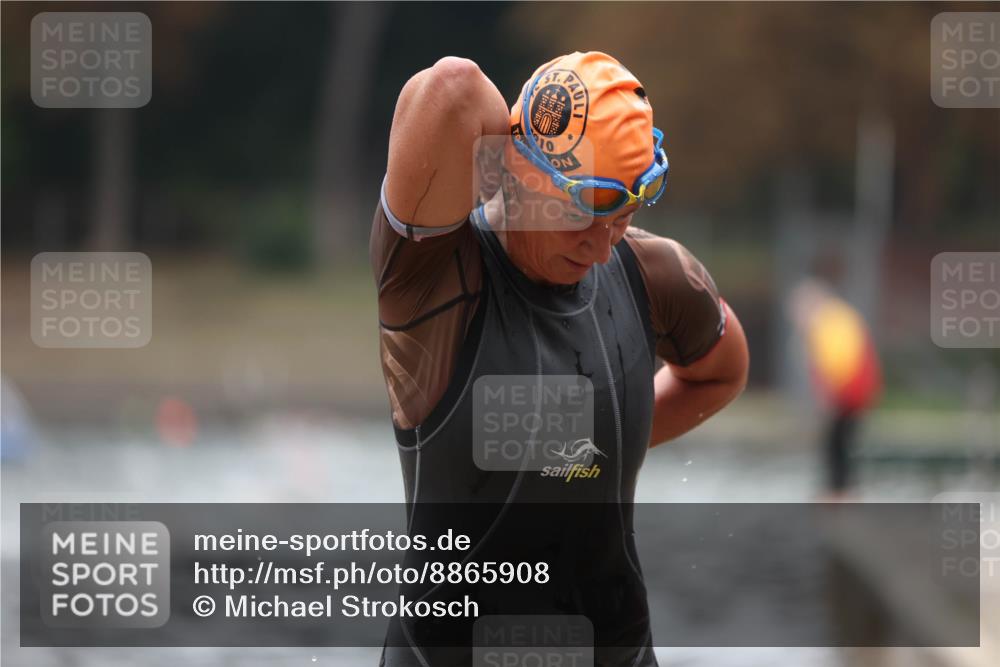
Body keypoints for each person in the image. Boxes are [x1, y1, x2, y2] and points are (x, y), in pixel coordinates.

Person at [370, 51, 749, 666]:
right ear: (518, 175)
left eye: (621, 219)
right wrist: (507, 157)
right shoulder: (432, 280)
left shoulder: (657, 275)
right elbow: (452, 88)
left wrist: (593, 441)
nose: (601, 250)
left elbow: (722, 372)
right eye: (580, 216)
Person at [788, 278, 882, 499]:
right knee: (840, 442)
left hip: (849, 392)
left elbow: (837, 362)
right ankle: (841, 490)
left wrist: (830, 395)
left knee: (836, 443)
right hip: (855, 391)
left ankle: (839, 492)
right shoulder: (835, 317)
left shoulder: (828, 321)